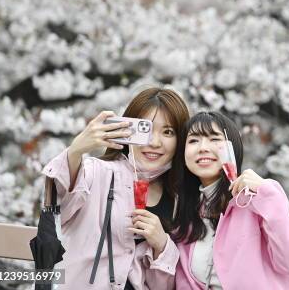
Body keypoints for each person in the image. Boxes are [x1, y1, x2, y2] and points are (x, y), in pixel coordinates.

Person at [41, 87, 189, 289]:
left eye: (168, 132)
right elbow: (58, 208)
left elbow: (163, 285)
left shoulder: (179, 197)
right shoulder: (97, 172)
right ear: (127, 130)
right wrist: (75, 152)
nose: (155, 142)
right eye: (146, 129)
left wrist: (162, 245)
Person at [170, 111, 289, 290]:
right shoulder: (186, 210)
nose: (203, 147)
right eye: (193, 140)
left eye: (214, 139)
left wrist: (267, 195)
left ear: (231, 149)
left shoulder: (257, 197)